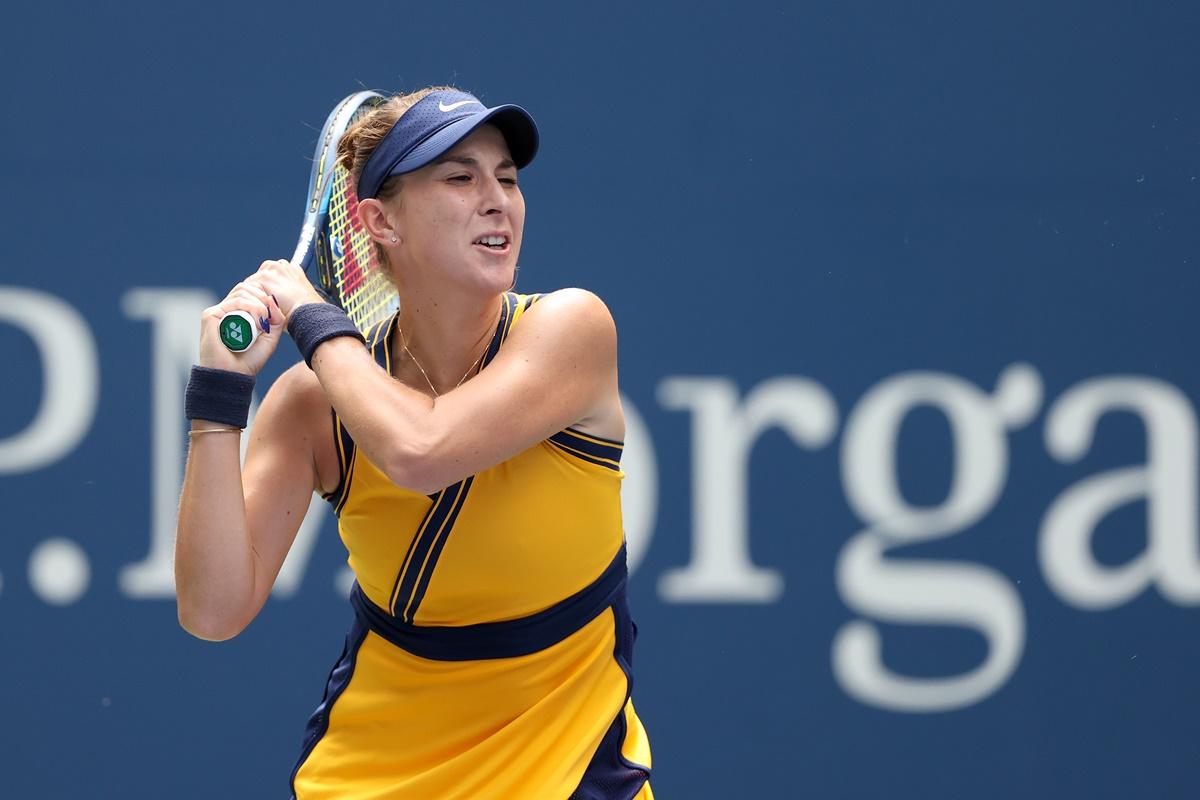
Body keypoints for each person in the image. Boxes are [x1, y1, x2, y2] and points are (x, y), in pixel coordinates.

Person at [173, 86, 654, 800]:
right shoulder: (316, 407)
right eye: (461, 178)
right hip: (370, 776)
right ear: (379, 221)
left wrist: (311, 318)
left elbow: (419, 451)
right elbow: (213, 611)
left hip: (568, 772)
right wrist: (219, 391)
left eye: (508, 179)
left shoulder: (570, 329)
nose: (498, 200)